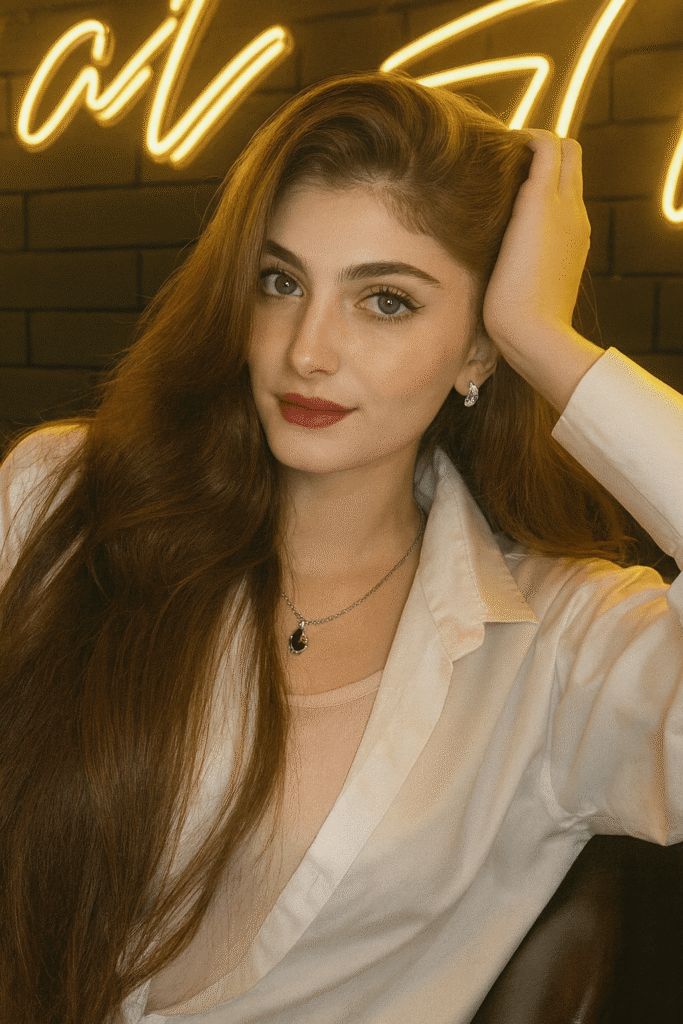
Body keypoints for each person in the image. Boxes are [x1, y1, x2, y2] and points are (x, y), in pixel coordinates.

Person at [0, 70, 681, 1024]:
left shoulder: (566, 650)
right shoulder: (61, 498)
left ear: (478, 350)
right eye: (280, 282)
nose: (306, 349)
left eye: (386, 300)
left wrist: (542, 337)